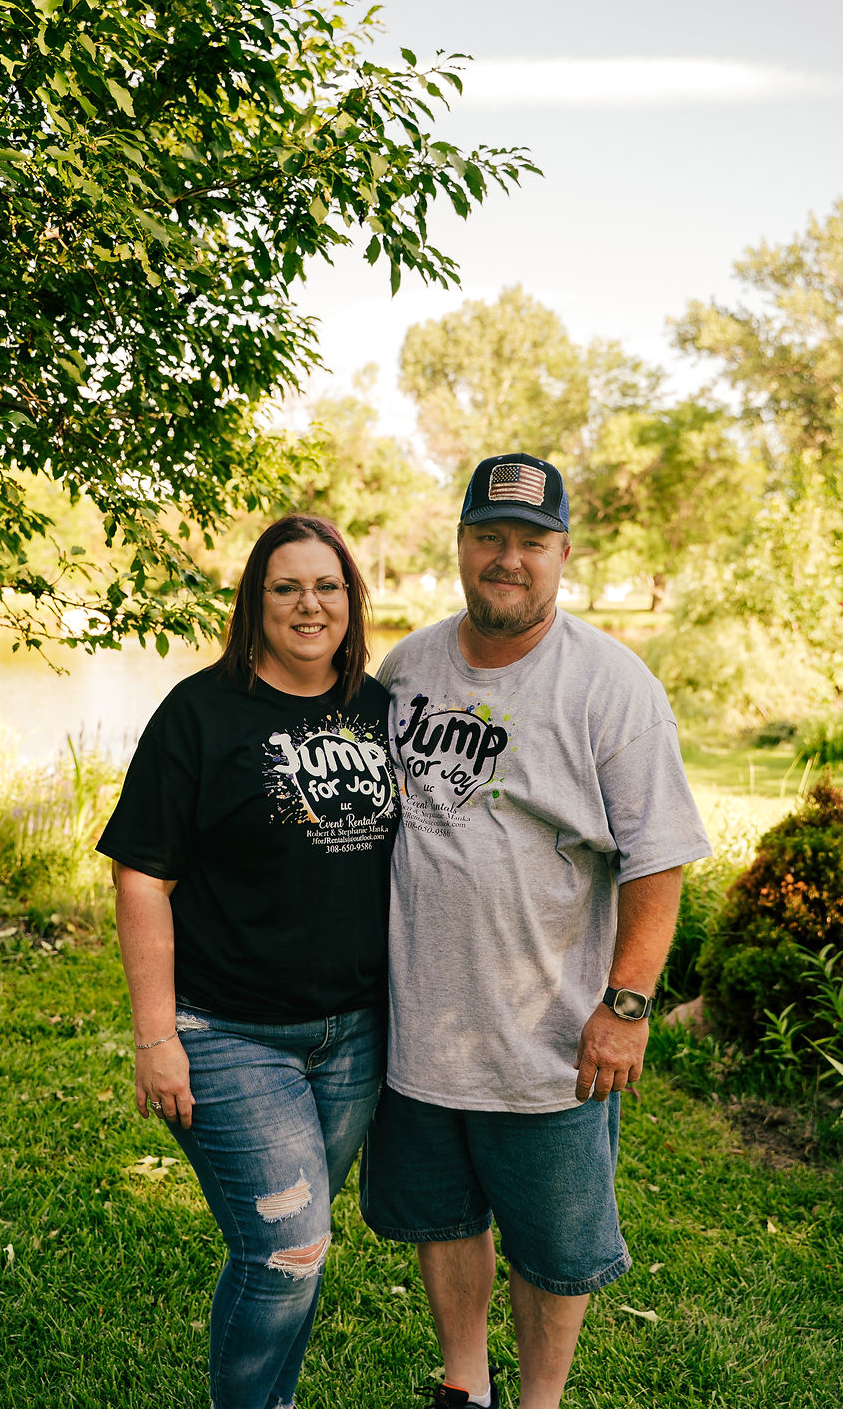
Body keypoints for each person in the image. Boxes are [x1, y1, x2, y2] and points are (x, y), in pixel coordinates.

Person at [360, 453, 712, 1409]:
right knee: (443, 1218)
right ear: (462, 545)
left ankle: (538, 1402)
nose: (505, 558)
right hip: (420, 1022)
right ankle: (464, 1387)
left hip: (553, 1037)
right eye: (488, 537)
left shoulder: (611, 685)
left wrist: (627, 1004)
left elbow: (658, 857)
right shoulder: (407, 667)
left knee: (554, 1249)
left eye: (529, 541)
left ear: (563, 554)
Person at [96, 514, 398, 1409]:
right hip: (228, 1029)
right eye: (286, 587)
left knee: (297, 1253)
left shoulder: (379, 710)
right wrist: (157, 1037)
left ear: (352, 599)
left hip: (353, 1035)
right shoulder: (201, 712)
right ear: (254, 602)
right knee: (287, 1247)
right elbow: (142, 878)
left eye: (328, 586)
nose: (310, 604)